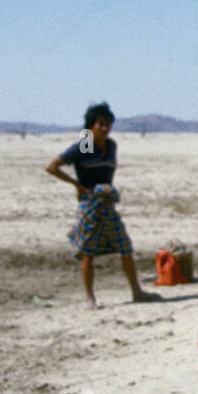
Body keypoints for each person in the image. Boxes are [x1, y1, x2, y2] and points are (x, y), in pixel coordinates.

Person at [45, 102, 155, 309]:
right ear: (91, 125)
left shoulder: (111, 146)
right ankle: (90, 298)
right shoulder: (84, 145)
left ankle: (137, 292)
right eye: (100, 124)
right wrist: (77, 185)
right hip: (90, 205)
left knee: (125, 248)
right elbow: (52, 167)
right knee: (88, 251)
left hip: (108, 204)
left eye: (108, 124)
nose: (105, 128)